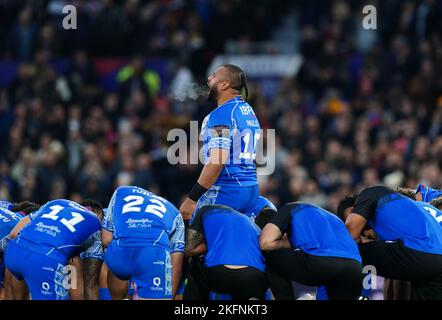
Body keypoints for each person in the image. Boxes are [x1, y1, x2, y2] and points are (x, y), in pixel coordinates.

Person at [179, 65, 263, 222]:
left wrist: (191, 199)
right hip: (251, 189)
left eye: (214, 76)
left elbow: (217, 161)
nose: (209, 79)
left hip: (228, 191)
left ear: (225, 84)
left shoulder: (221, 114)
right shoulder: (248, 111)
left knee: (186, 238)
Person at [339, 185, 442, 300]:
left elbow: (350, 236)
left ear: (352, 210)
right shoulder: (409, 210)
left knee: (344, 253)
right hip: (437, 260)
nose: (365, 234)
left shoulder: (370, 193)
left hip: (421, 250)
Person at [260, 202, 363, 300]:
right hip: (355, 267)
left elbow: (265, 243)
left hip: (322, 261)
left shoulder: (289, 209)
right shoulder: (330, 216)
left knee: (273, 259)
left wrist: (286, 243)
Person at [4, 199, 101, 300]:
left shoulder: (57, 202)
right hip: (45, 259)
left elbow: (13, 234)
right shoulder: (97, 227)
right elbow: (90, 284)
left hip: (15, 251)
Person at [102, 186, 184, 300]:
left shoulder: (121, 191)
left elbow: (106, 240)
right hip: (151, 255)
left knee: (113, 251)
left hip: (119, 256)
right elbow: (176, 265)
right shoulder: (175, 213)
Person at [184, 204, 271, 300]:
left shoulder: (206, 210)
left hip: (219, 274)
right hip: (252, 278)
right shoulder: (256, 230)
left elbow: (188, 250)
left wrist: (212, 241)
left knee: (194, 262)